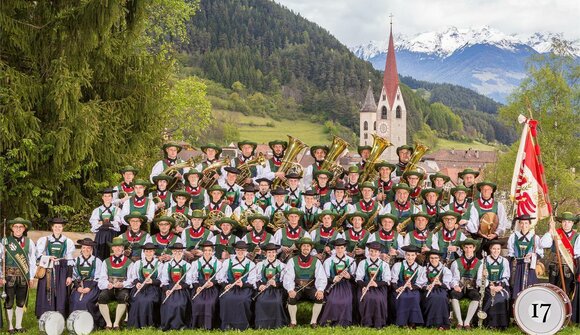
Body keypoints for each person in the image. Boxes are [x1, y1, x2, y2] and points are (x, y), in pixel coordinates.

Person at [35, 218, 75, 318]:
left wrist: (69, 276)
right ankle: (45, 314)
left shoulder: (67, 241)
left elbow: (70, 260)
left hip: (62, 270)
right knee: (46, 291)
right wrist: (49, 258)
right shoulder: (45, 240)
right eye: (55, 226)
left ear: (62, 228)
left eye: (60, 227)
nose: (57, 228)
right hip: (48, 269)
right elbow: (38, 255)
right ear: (52, 227)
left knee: (61, 292)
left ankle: (60, 314)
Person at [283, 237, 326, 328]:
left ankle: (313, 322)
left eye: (308, 246)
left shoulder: (316, 261)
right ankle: (293, 322)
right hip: (297, 288)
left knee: (319, 298)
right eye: (304, 246)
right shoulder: (292, 261)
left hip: (310, 288)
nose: (306, 248)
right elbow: (288, 277)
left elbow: (321, 277)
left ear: (310, 248)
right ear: (300, 247)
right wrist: (290, 289)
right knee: (291, 298)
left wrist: (320, 290)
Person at [4, 217, 37, 333]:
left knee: (21, 302)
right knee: (9, 302)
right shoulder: (5, 241)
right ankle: (10, 326)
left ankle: (18, 325)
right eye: (16, 226)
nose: (18, 229)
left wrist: (31, 277)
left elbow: (32, 261)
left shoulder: (29, 242)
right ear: (12, 228)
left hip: (24, 277)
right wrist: (0, 276)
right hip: (9, 277)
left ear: (24, 229)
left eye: (20, 227)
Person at [507, 214, 552, 299]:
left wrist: (532, 255)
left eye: (526, 223)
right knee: (516, 288)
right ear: (519, 224)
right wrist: (514, 261)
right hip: (517, 267)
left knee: (529, 289)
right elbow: (511, 253)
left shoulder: (535, 237)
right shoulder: (513, 236)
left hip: (530, 267)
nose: (524, 226)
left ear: (529, 224)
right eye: (522, 223)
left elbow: (540, 254)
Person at [218, 241, 256, 330]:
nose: (240, 252)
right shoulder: (227, 262)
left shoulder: (250, 264)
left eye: (242, 250)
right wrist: (226, 285)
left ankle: (242, 325)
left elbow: (253, 281)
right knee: (226, 299)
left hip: (244, 288)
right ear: (235, 250)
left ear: (246, 251)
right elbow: (221, 277)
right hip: (230, 287)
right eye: (238, 250)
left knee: (243, 299)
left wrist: (243, 284)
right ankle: (227, 325)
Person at [97, 237, 133, 330]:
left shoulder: (129, 262)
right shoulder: (106, 261)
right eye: (115, 247)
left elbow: (131, 280)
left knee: (123, 297)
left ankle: (116, 323)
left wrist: (122, 284)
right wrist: (107, 284)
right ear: (112, 248)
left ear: (123, 248)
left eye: (120, 247)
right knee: (102, 297)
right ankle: (108, 323)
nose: (117, 249)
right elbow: (102, 278)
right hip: (109, 288)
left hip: (122, 288)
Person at [319, 238, 357, 327]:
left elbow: (354, 277)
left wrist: (349, 276)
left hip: (346, 285)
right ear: (334, 249)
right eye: (337, 248)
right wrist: (333, 278)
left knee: (347, 301)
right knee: (332, 301)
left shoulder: (351, 260)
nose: (339, 250)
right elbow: (325, 277)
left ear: (345, 248)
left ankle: (345, 321)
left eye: (342, 248)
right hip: (333, 285)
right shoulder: (328, 261)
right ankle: (331, 320)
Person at [356, 241, 391, 328]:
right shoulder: (363, 263)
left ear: (379, 253)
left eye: (376, 251)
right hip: (365, 286)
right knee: (367, 298)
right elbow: (358, 278)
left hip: (379, 287)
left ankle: (378, 322)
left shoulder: (384, 264)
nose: (373, 253)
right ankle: (367, 322)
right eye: (371, 251)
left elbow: (387, 280)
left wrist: (376, 284)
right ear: (368, 251)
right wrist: (364, 286)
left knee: (378, 299)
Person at [477, 240, 511, 330]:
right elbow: (480, 279)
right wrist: (490, 286)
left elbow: (506, 277)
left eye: (498, 249)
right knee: (490, 297)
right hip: (487, 285)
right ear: (490, 249)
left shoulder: (504, 261)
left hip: (500, 285)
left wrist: (500, 286)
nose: (496, 251)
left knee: (501, 297)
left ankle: (501, 324)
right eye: (494, 249)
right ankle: (489, 323)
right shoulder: (483, 261)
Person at [253, 243, 289, 329]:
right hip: (264, 289)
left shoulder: (282, 266)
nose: (271, 254)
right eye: (269, 252)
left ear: (276, 253)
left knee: (276, 301)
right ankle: (262, 324)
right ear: (265, 254)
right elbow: (255, 279)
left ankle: (277, 323)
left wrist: (276, 284)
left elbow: (286, 281)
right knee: (260, 301)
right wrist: (260, 286)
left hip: (277, 290)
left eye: (273, 252)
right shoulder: (260, 265)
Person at [70, 238, 103, 328]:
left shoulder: (97, 261)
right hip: (79, 285)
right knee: (75, 299)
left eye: (88, 248)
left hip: (92, 285)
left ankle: (90, 324)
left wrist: (89, 288)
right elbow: (74, 276)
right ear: (81, 248)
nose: (86, 250)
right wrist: (78, 288)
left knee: (87, 301)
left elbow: (98, 277)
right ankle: (75, 323)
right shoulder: (76, 260)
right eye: (84, 247)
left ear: (92, 249)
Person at [127, 242, 162, 328]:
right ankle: (136, 324)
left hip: (153, 288)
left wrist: (152, 281)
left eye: (150, 251)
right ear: (144, 252)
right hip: (140, 287)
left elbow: (161, 280)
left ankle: (148, 323)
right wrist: (137, 283)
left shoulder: (159, 264)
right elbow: (133, 276)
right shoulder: (138, 263)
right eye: (146, 251)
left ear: (154, 252)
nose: (148, 253)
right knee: (137, 300)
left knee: (148, 301)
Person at [188, 241, 222, 329]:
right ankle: (197, 325)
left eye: (210, 250)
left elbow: (220, 278)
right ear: (202, 251)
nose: (207, 252)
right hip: (199, 288)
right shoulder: (195, 263)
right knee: (198, 302)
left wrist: (212, 283)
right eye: (205, 250)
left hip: (212, 289)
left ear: (213, 251)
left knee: (210, 303)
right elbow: (193, 278)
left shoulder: (218, 263)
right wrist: (197, 286)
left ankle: (209, 325)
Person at [450, 238, 481, 330]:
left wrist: (482, 283)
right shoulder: (456, 262)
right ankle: (460, 322)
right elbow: (454, 278)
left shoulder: (480, 263)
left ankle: (467, 322)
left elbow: (479, 279)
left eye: (470, 247)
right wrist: (455, 286)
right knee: (453, 295)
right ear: (463, 248)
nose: (468, 250)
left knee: (476, 296)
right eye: (466, 247)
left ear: (474, 248)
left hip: (472, 287)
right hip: (460, 286)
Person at [391, 245, 426, 328]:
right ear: (405, 255)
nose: (410, 257)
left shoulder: (420, 268)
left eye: (413, 255)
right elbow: (393, 281)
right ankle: (402, 322)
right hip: (399, 288)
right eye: (408, 255)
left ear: (416, 255)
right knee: (402, 297)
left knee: (414, 297)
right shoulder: (398, 265)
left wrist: (412, 287)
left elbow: (420, 284)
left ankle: (412, 321)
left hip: (413, 289)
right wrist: (397, 289)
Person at [159, 242, 191, 331]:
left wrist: (180, 287)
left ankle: (180, 325)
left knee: (180, 304)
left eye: (180, 252)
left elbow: (189, 281)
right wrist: (166, 290)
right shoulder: (167, 265)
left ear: (183, 253)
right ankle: (168, 324)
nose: (177, 254)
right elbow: (164, 280)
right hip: (169, 288)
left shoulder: (187, 265)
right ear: (172, 252)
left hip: (182, 290)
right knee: (168, 303)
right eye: (175, 252)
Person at [548, 212, 579, 298]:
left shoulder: (577, 237)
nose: (566, 224)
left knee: (566, 293)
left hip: (569, 268)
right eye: (564, 221)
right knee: (552, 291)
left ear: (572, 223)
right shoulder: (555, 233)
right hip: (555, 267)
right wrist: (550, 230)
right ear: (561, 222)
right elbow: (545, 244)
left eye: (569, 222)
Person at [421, 250, 452, 330]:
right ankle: (430, 322)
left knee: (442, 298)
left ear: (439, 259)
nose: (433, 260)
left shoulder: (444, 269)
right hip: (429, 290)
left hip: (441, 289)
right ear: (429, 259)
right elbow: (422, 283)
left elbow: (447, 285)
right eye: (431, 258)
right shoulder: (425, 269)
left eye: (436, 258)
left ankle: (442, 323)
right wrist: (427, 287)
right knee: (431, 298)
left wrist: (440, 283)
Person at [90, 188, 122, 260]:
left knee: (111, 255)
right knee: (99, 255)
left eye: (109, 196)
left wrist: (102, 222)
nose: (107, 198)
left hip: (112, 235)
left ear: (112, 197)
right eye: (105, 196)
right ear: (102, 197)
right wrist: (110, 223)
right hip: (100, 236)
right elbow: (94, 225)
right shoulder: (97, 210)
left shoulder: (117, 210)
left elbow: (117, 223)